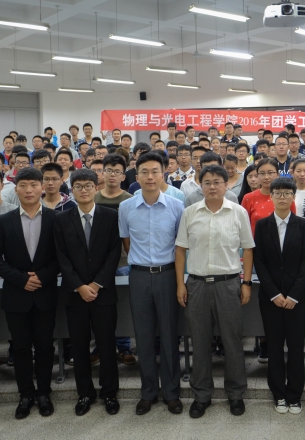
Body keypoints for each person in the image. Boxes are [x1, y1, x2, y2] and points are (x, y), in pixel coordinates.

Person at [176, 164, 255, 419]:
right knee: (200, 342)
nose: (212, 186)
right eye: (207, 182)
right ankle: (201, 395)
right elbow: (180, 250)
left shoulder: (238, 212)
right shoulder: (190, 212)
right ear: (200, 186)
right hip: (197, 284)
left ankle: (236, 394)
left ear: (226, 185)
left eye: (217, 182)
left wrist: (246, 283)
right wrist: (180, 284)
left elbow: (248, 249)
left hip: (229, 284)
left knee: (232, 341)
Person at [0, 168, 60, 420]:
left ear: (43, 188)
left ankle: (44, 393)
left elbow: (62, 255)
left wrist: (43, 276)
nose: (29, 190)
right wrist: (20, 279)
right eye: (23, 185)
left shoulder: (55, 219)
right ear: (15, 189)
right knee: (20, 348)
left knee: (45, 346)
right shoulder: (3, 221)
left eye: (33, 185)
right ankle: (25, 394)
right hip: (16, 295)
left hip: (45, 293)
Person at [119, 152, 185, 416]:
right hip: (138, 276)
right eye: (144, 172)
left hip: (167, 274)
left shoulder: (177, 206)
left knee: (169, 335)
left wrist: (179, 281)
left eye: (155, 171)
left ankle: (171, 392)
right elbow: (126, 243)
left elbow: (180, 247)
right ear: (137, 176)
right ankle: (148, 393)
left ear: (163, 174)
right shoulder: (126, 207)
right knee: (144, 336)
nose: (150, 176)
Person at [54, 169, 122, 417]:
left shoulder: (111, 216)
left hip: (103, 293)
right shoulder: (61, 219)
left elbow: (114, 253)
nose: (83, 190)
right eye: (78, 186)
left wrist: (96, 284)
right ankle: (84, 393)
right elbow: (61, 257)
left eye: (88, 186)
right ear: (71, 190)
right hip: (75, 294)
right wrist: (80, 286)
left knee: (107, 345)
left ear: (96, 187)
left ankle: (109, 393)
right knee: (79, 346)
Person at [252, 177, 305, 414]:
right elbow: (259, 262)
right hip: (271, 298)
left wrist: (294, 294)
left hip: (298, 298)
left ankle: (295, 395)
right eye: (278, 193)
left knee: (296, 348)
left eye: (287, 193)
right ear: (272, 196)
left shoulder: (303, 225)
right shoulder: (263, 225)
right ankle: (278, 394)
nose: (283, 197)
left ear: (293, 197)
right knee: (275, 348)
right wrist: (274, 293)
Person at [95, 154, 137, 366]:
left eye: (117, 171)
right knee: (99, 307)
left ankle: (123, 347)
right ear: (102, 173)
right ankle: (100, 347)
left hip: (122, 262)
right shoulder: (93, 198)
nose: (112, 175)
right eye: (108, 170)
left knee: (121, 306)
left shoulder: (130, 200)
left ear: (123, 176)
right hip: (96, 263)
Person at [241, 158, 296, 236]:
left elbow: (293, 224)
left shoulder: (287, 197)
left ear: (278, 174)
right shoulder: (248, 198)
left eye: (270, 173)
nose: (266, 177)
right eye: (262, 173)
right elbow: (243, 226)